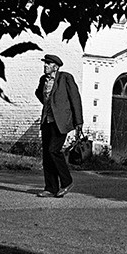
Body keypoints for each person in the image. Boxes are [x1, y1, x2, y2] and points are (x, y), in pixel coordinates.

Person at [35, 54, 83, 198]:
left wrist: (78, 121)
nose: (45, 66)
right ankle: (50, 188)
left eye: (48, 64)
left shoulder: (65, 78)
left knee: (53, 150)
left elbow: (75, 99)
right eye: (45, 64)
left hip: (60, 122)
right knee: (47, 155)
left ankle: (67, 181)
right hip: (47, 120)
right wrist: (50, 105)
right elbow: (39, 93)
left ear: (55, 67)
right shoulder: (43, 80)